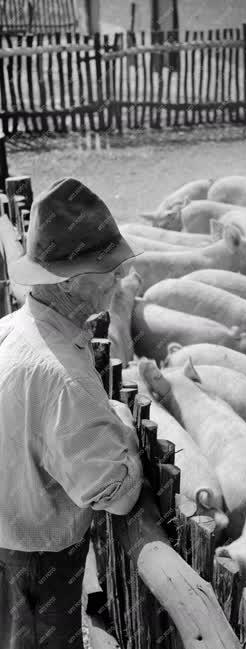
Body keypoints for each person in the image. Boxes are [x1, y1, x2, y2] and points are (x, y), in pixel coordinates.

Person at [0, 177, 146, 649]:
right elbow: (117, 494)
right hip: (38, 567)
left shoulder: (11, 331)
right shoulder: (65, 379)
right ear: (69, 280)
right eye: (107, 268)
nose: (120, 279)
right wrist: (122, 426)